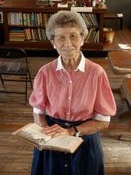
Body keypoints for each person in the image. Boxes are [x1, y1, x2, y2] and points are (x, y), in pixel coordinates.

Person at [29, 11, 117, 175]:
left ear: (83, 38)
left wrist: (71, 132)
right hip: (52, 139)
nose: (67, 43)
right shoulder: (45, 72)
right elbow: (38, 111)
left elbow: (103, 121)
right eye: (60, 37)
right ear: (52, 42)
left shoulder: (97, 73)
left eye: (73, 36)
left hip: (85, 139)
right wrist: (44, 132)